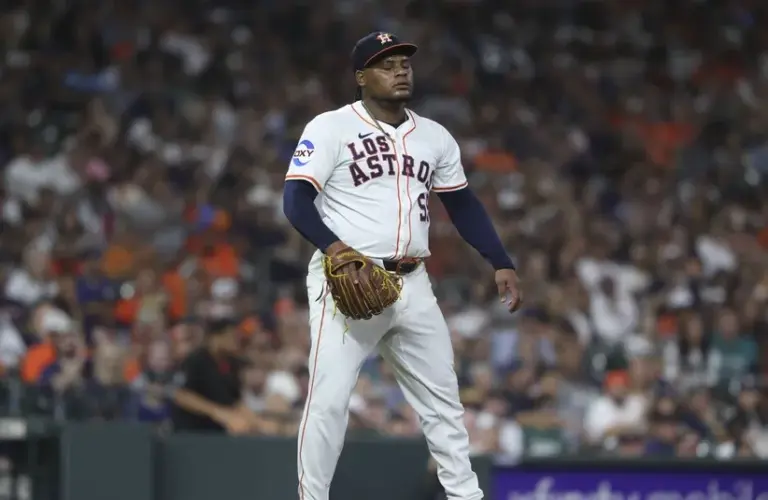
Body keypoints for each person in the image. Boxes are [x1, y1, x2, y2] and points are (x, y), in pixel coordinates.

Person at [282, 31, 522, 500]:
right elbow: (295, 200)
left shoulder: (434, 136)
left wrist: (499, 260)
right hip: (347, 279)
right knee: (329, 402)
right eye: (386, 64)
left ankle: (465, 496)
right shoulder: (330, 128)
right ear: (360, 77)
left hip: (413, 283)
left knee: (445, 403)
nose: (399, 70)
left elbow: (464, 205)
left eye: (404, 63)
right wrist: (335, 250)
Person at [171, 319, 261, 434]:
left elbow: (234, 401)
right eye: (231, 336)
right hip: (191, 432)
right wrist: (217, 412)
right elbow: (181, 396)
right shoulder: (196, 360)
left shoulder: (232, 364)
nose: (235, 341)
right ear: (216, 338)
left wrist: (256, 421)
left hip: (219, 433)